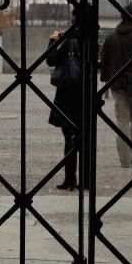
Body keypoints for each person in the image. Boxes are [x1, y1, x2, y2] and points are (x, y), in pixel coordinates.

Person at [99, 2, 132, 169]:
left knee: (123, 120)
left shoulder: (111, 37)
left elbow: (104, 62)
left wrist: (107, 79)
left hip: (118, 84)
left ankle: (125, 160)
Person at [46, 24, 83, 190]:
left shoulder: (69, 42)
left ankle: (70, 179)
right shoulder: (88, 42)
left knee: (70, 139)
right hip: (84, 94)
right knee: (85, 139)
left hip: (68, 93)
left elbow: (50, 60)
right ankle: (86, 180)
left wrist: (53, 40)